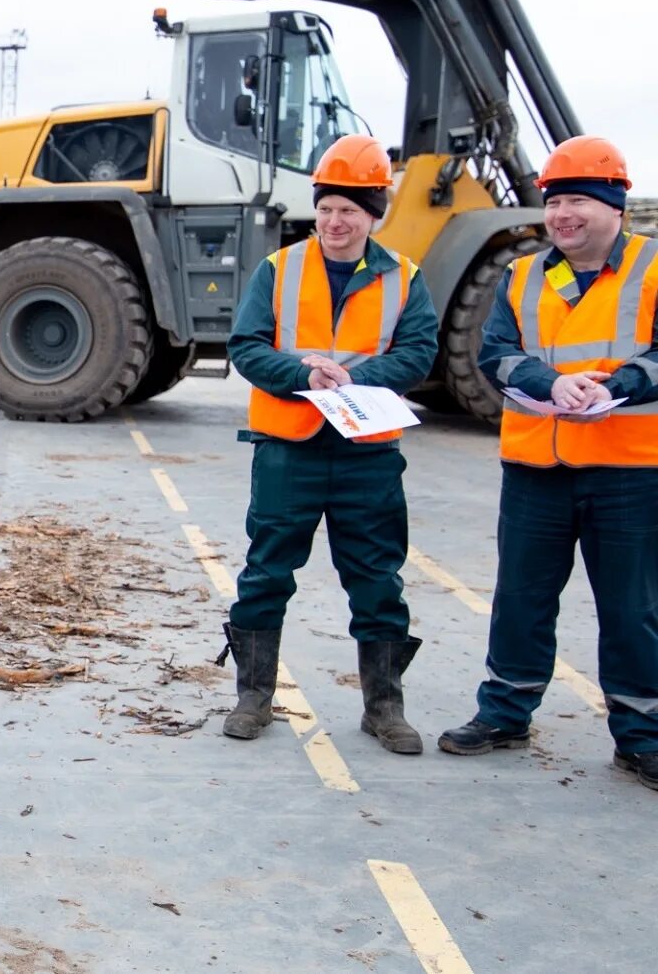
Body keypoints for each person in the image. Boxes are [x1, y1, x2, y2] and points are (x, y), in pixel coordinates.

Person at [438, 135, 658, 791]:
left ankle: (642, 734)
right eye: (555, 201)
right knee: (521, 599)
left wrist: (619, 385)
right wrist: (548, 382)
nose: (563, 215)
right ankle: (505, 711)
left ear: (613, 207)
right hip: (537, 467)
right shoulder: (528, 274)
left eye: (578, 202)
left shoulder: (650, 270)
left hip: (627, 470)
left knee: (632, 608)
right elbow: (495, 353)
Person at [220, 134, 440, 754]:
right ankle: (254, 696)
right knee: (266, 571)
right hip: (288, 446)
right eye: (325, 209)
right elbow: (247, 347)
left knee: (376, 576)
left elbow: (419, 353)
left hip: (367, 452)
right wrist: (302, 376)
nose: (334, 222)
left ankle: (384, 707)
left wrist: (356, 378)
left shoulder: (405, 279)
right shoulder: (280, 269)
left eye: (349, 210)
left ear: (374, 215)